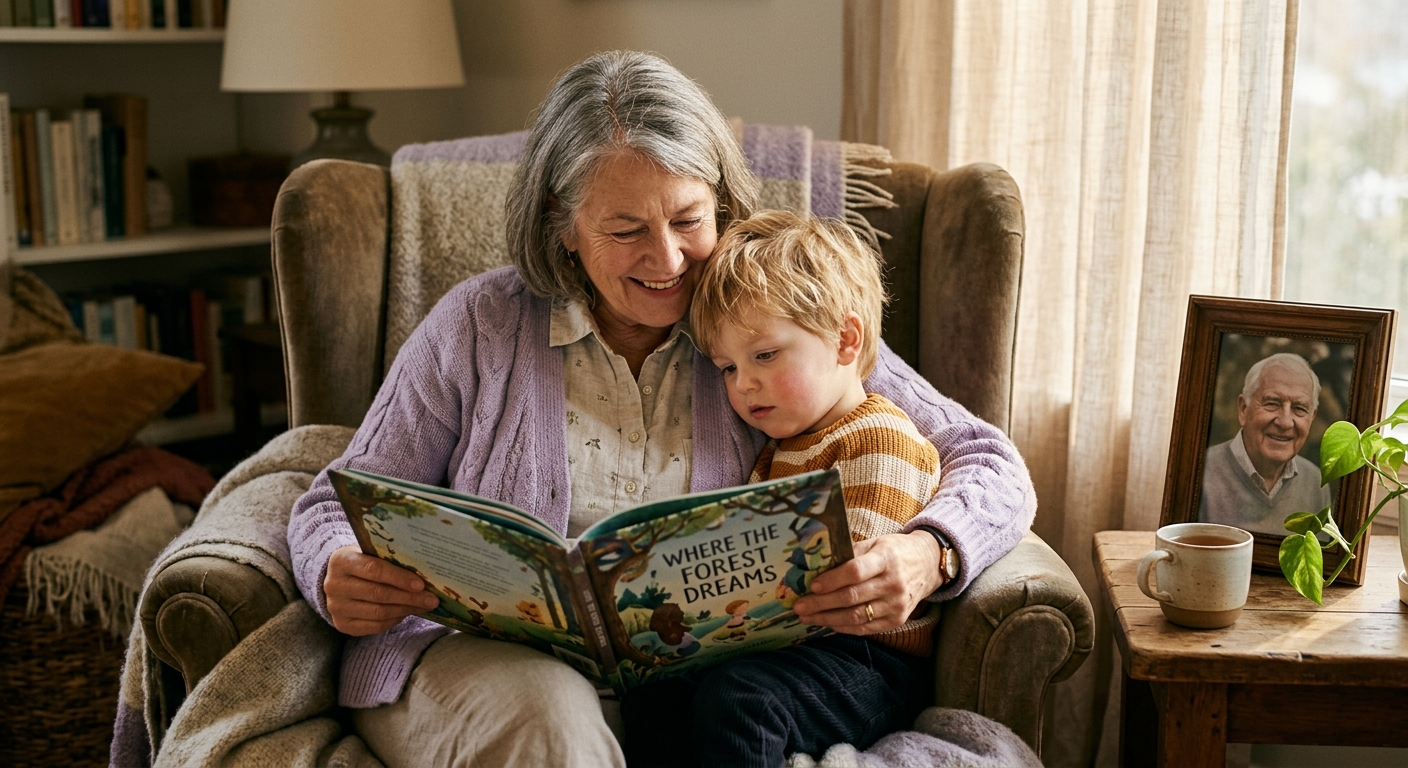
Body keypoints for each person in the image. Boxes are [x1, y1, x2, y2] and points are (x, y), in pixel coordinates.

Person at [287, 50, 1036, 768]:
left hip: (696, 693)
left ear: (721, 200)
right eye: (625, 230)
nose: (669, 260)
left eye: (687, 219)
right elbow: (334, 503)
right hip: (488, 671)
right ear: (561, 224)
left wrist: (930, 553)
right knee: (552, 721)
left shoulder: (764, 320)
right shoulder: (478, 326)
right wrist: (336, 570)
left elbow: (987, 460)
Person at [617, 211, 950, 766]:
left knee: (741, 701)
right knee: (656, 695)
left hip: (866, 662)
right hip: (784, 651)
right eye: (727, 367)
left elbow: (843, 583)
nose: (744, 383)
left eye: (765, 355)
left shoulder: (882, 437)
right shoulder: (781, 446)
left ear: (845, 340)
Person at [1200, 352, 1331, 535]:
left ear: (1312, 418)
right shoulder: (1200, 472)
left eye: (1299, 408)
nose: (1285, 422)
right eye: (1272, 403)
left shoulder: (1315, 483)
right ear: (1243, 409)